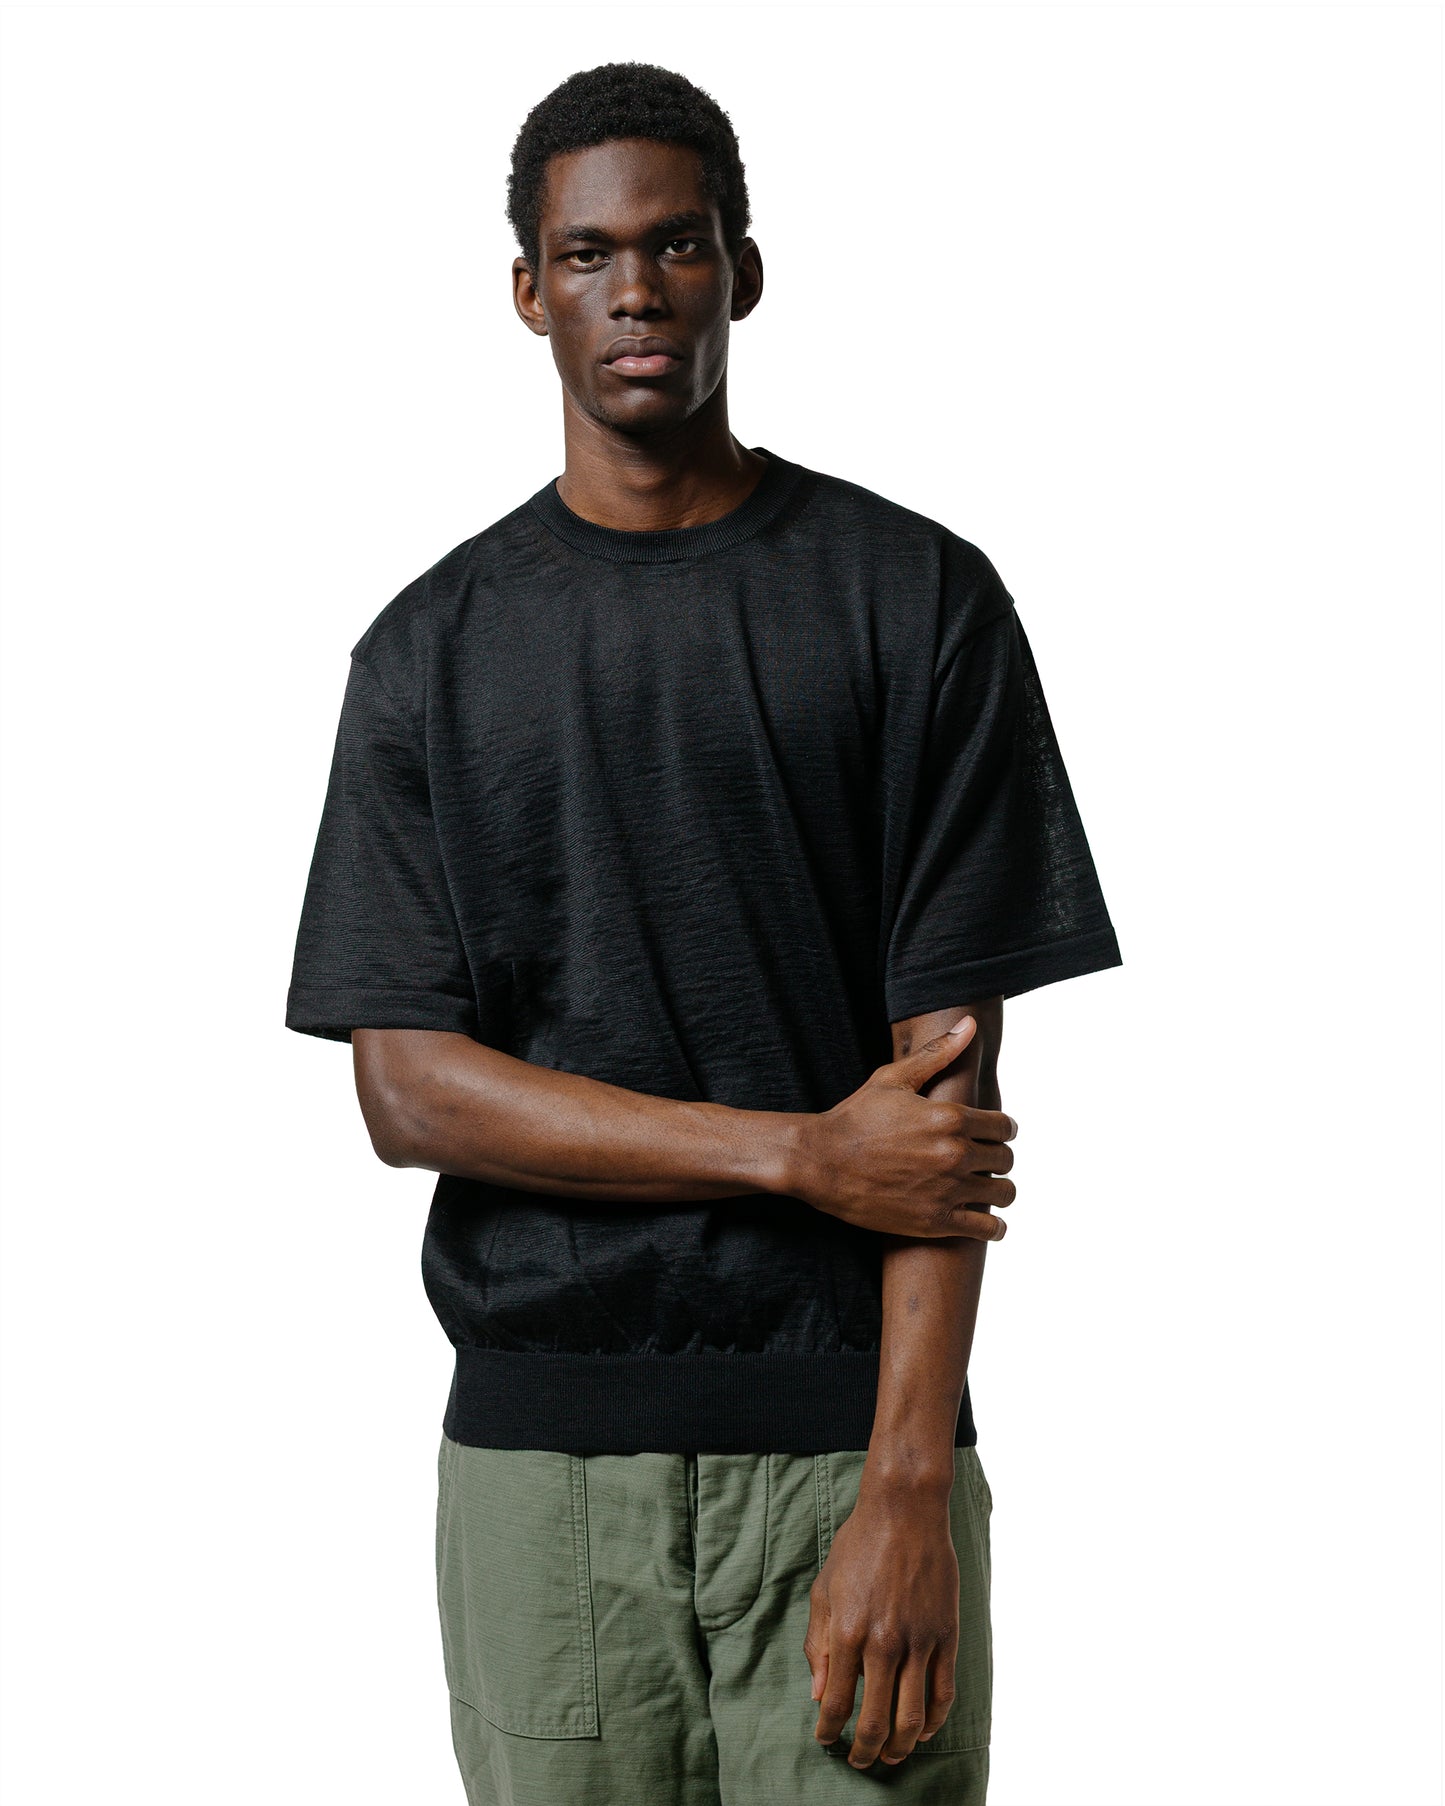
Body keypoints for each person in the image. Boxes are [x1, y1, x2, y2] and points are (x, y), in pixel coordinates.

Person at [285, 60, 1122, 1806]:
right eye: (588, 255)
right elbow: (408, 1093)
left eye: (675, 246)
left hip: (843, 1451)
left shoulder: (913, 599)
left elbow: (943, 1111)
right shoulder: (429, 652)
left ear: (742, 269)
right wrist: (798, 1154)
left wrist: (909, 1483)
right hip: (540, 1475)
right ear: (528, 291)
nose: (636, 293)